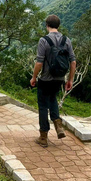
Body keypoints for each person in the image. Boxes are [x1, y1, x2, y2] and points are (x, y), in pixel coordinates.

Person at [29, 14, 76, 148]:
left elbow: (39, 63)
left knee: (43, 105)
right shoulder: (66, 40)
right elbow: (73, 62)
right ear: (58, 26)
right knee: (53, 99)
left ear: (47, 25)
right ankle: (59, 127)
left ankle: (43, 137)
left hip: (45, 79)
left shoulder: (44, 40)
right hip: (59, 79)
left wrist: (33, 77)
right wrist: (70, 80)